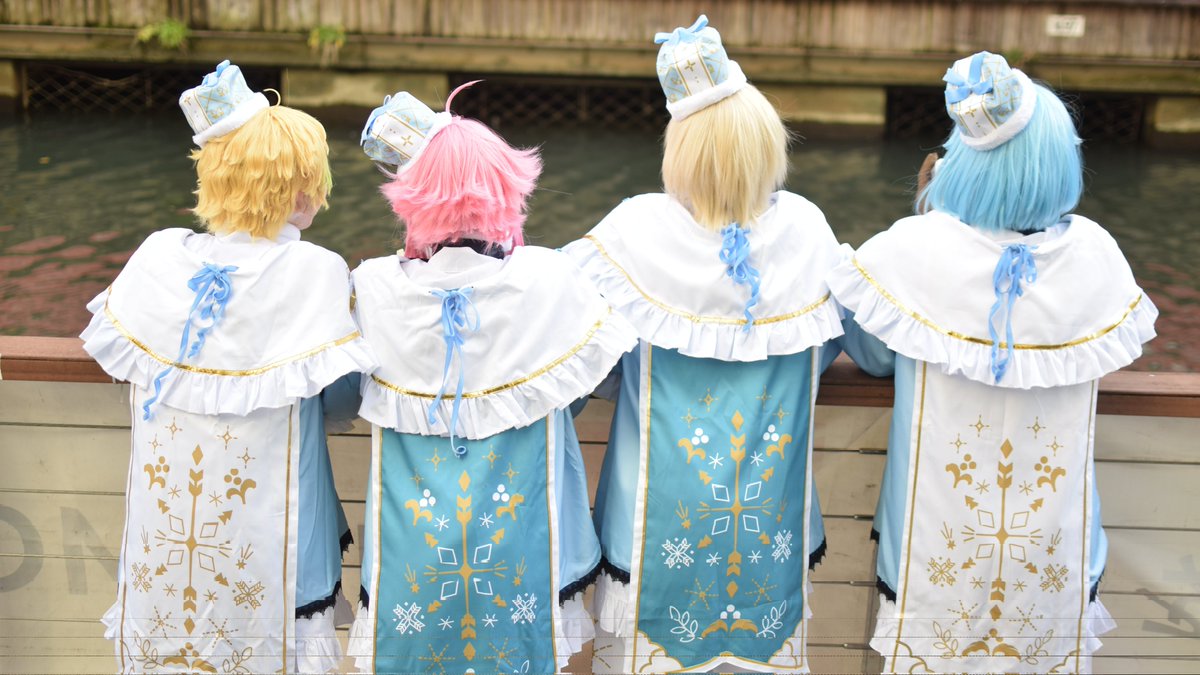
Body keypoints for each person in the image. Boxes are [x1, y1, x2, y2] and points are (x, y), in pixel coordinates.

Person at [563, 16, 892, 673]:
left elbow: (564, 363)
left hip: (649, 528)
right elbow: (875, 352)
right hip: (770, 530)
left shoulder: (629, 234)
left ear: (678, 150)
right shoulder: (807, 231)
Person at [827, 51, 1158, 673]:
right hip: (1058, 545)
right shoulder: (1097, 255)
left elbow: (872, 352)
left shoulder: (914, 248)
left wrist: (927, 212)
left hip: (933, 542)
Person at [82, 60, 376, 674]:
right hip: (278, 531)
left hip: (167, 533)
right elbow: (342, 398)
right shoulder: (314, 272)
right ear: (299, 188)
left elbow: (121, 354)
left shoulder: (160, 257)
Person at [346, 82, 638, 674]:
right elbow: (579, 385)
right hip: (526, 540)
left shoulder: (371, 288)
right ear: (505, 185)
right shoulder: (548, 280)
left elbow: (340, 392)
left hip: (412, 549)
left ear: (409, 196)